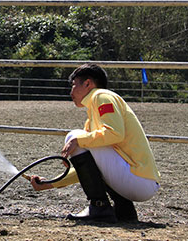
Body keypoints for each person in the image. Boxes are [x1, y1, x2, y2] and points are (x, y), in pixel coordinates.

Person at [30, 63, 160, 223]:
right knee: (80, 138)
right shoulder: (95, 112)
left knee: (74, 136)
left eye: (73, 85)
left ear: (87, 83)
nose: (71, 92)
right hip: (139, 182)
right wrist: (49, 184)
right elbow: (89, 170)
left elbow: (115, 133)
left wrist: (77, 140)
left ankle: (99, 207)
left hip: (138, 181)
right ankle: (124, 210)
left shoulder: (101, 96)